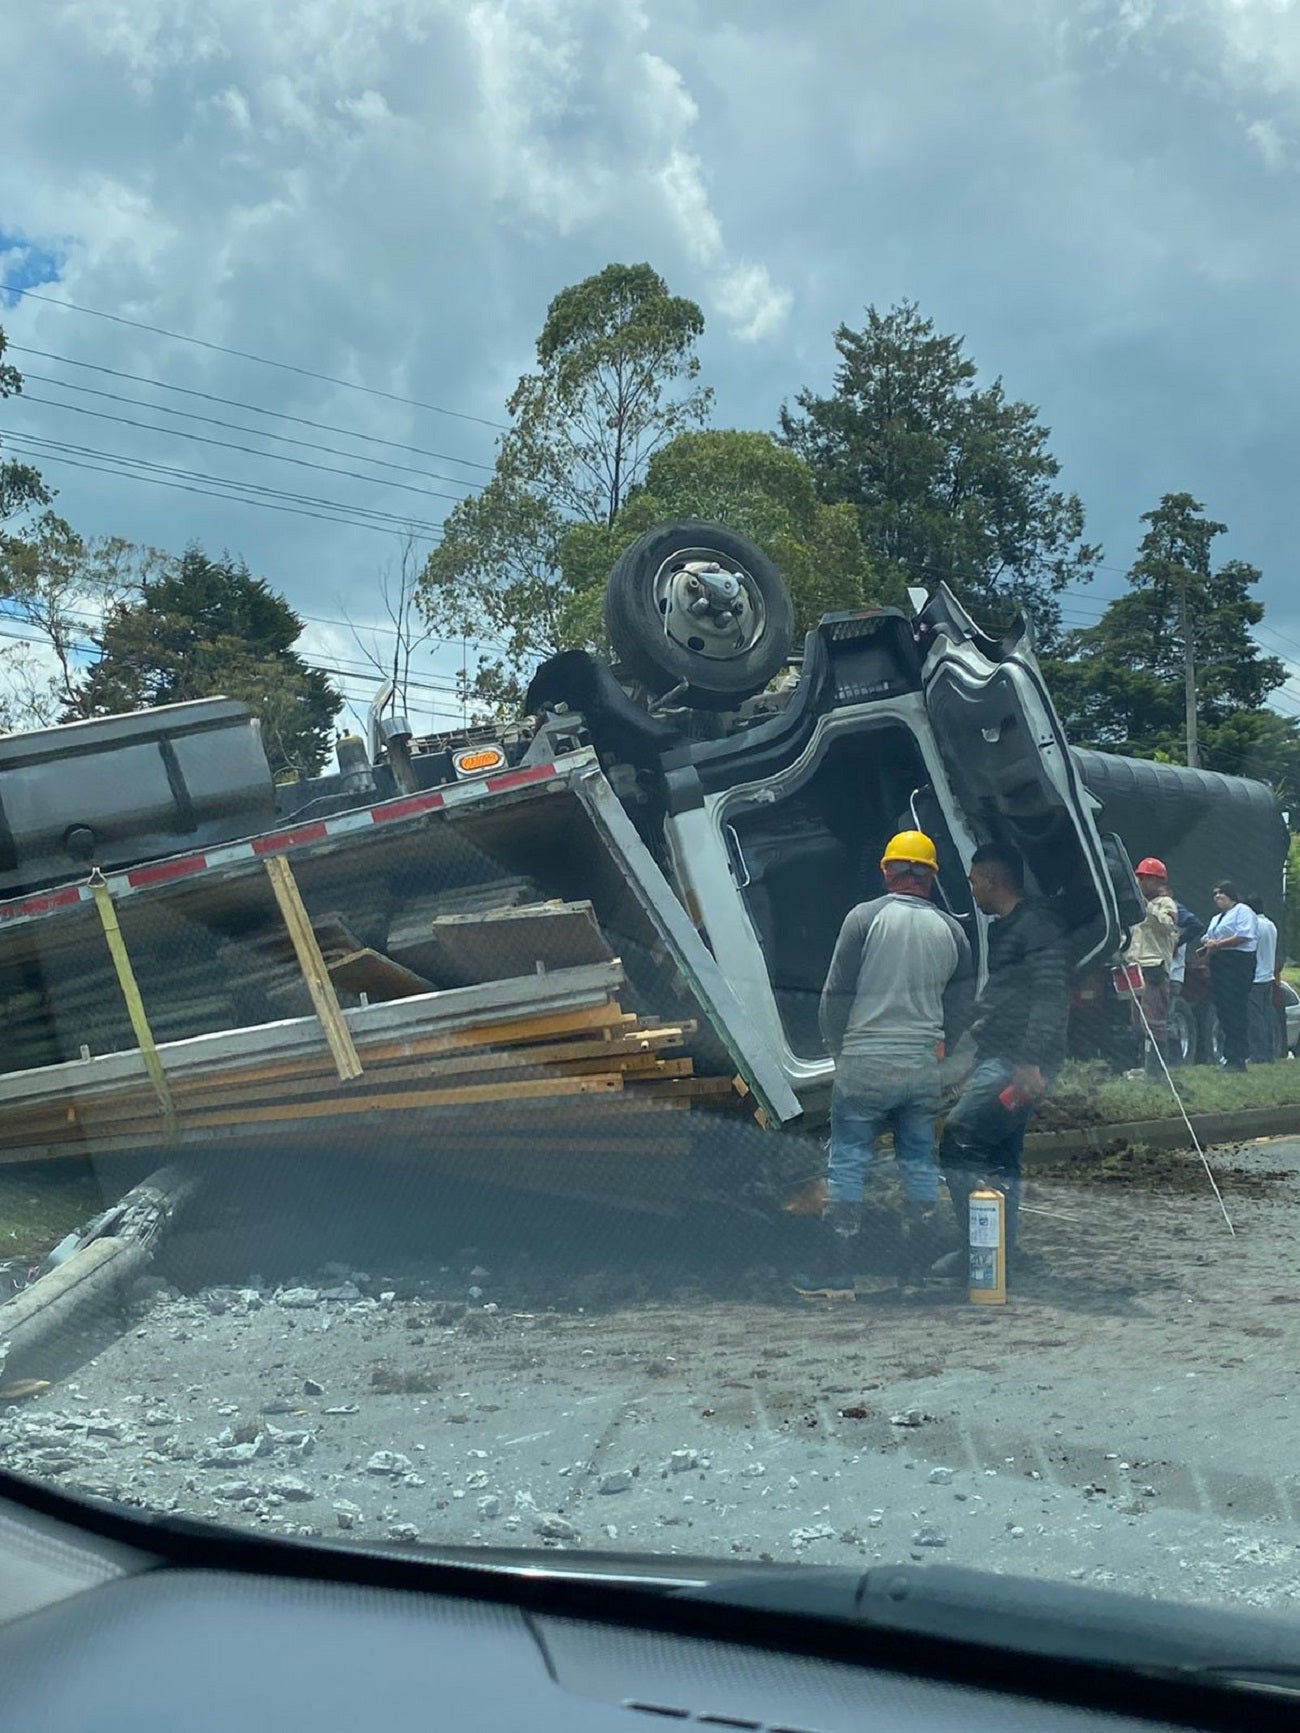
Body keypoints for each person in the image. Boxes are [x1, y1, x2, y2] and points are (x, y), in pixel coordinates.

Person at [796, 829, 975, 1295]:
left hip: (865, 1062)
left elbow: (836, 995)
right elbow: (959, 1011)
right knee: (917, 1163)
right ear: (931, 878)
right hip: (919, 1067)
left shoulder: (863, 919)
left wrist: (840, 1051)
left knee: (849, 1161)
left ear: (887, 871)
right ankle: (914, 1270)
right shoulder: (953, 931)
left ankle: (837, 1269)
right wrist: (943, 1053)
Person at [934, 841, 1068, 1275]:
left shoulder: (1036, 927)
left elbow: (1050, 997)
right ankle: (1004, 1254)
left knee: (957, 1140)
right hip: (1007, 1057)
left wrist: (1029, 1063)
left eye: (973, 881)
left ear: (992, 880)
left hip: (1018, 1063)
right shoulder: (1009, 927)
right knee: (1002, 1155)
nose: (971, 889)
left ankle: (979, 1249)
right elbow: (1011, 994)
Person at [1124, 857, 1179, 1077]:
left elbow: (1168, 926)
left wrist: (1145, 906)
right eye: (1140, 878)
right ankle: (1145, 1064)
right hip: (1135, 965)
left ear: (1157, 881)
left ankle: (1157, 1069)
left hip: (1154, 965)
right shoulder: (1136, 906)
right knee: (1137, 1020)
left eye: (1145, 879)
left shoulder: (1165, 904)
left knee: (1154, 1019)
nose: (1140, 883)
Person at [1200, 881, 1258, 1073]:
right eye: (1215, 895)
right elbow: (1208, 937)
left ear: (1231, 895)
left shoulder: (1242, 911)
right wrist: (1209, 949)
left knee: (1235, 1007)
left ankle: (1239, 1055)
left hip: (1237, 961)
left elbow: (1244, 935)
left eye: (1221, 894)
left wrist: (1219, 944)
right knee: (1223, 1008)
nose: (1217, 897)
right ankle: (1229, 1054)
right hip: (1220, 961)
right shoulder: (1217, 918)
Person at [1246, 894, 1281, 1065]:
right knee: (1267, 1016)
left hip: (1256, 978)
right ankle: (1269, 1053)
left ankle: (1257, 1054)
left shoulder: (1254, 927)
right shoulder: (1271, 925)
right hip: (1268, 976)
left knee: (1255, 1018)